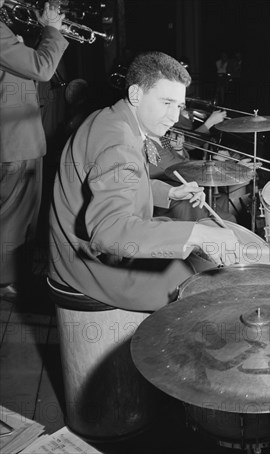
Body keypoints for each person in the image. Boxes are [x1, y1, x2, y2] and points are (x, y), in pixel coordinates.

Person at [48, 51, 239, 311]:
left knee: (187, 257)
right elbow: (108, 231)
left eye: (179, 106)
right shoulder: (118, 143)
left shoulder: (113, 117)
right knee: (199, 292)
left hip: (75, 248)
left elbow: (117, 182)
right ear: (136, 94)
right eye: (166, 103)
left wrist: (169, 194)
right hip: (87, 265)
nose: (174, 117)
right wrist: (198, 234)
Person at [0, 1, 69, 298]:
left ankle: (12, 277)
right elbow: (42, 68)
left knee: (17, 216)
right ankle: (7, 282)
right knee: (15, 218)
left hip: (17, 138)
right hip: (15, 142)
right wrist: (52, 30)